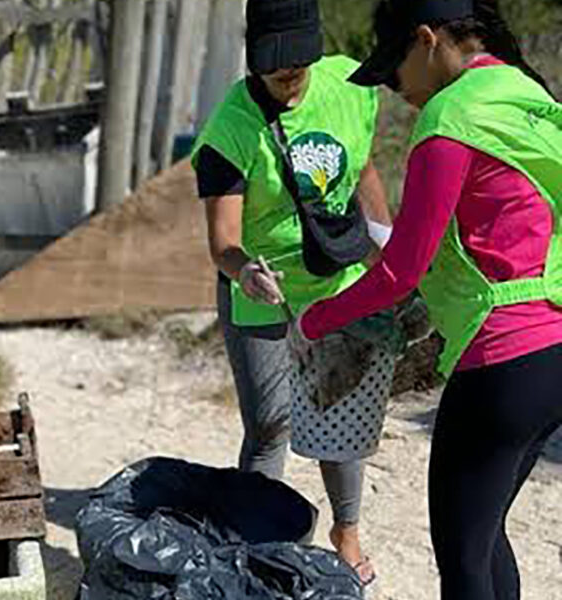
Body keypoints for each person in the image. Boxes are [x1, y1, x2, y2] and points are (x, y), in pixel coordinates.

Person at [296, 0, 562, 598]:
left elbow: (401, 269)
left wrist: (317, 319)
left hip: (501, 361)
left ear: (427, 39)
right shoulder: (524, 95)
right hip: (554, 349)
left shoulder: (450, 118)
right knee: (487, 538)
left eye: (394, 70)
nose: (394, 89)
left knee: (464, 558)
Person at [191, 0, 392, 584]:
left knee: (341, 414)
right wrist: (243, 271)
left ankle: (346, 532)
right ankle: (256, 545)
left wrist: (388, 243)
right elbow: (222, 242)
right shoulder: (231, 129)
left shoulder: (350, 84)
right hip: (260, 287)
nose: (288, 75)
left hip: (336, 283)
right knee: (271, 422)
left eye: (298, 63)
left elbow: (363, 167)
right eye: (275, 65)